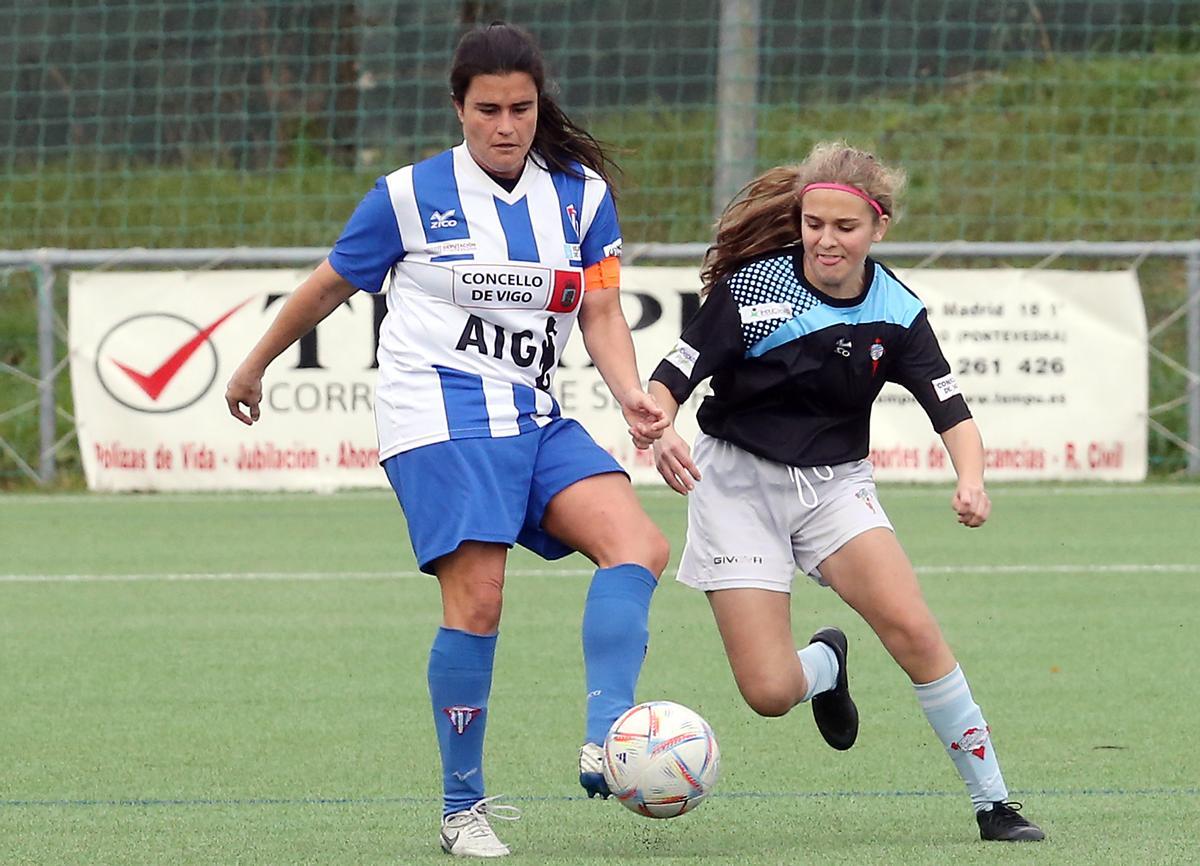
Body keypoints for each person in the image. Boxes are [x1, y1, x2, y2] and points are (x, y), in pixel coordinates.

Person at [225, 22, 670, 859]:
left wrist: (632, 399)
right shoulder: (405, 196)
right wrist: (252, 368)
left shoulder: (581, 195)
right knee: (480, 600)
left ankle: (606, 733)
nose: (507, 126)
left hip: (532, 414)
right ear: (458, 110)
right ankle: (461, 808)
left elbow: (603, 309)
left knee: (638, 545)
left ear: (541, 105)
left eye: (523, 108)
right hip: (435, 418)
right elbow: (326, 288)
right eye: (488, 109)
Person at [643, 141, 1045, 843]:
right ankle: (825, 664)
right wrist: (660, 425)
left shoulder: (896, 308)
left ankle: (994, 803)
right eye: (814, 223)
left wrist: (971, 477)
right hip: (736, 485)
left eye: (845, 228)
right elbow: (670, 377)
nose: (826, 240)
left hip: (834, 488)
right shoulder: (752, 291)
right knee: (769, 693)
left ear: (878, 227)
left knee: (915, 630)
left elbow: (950, 409)